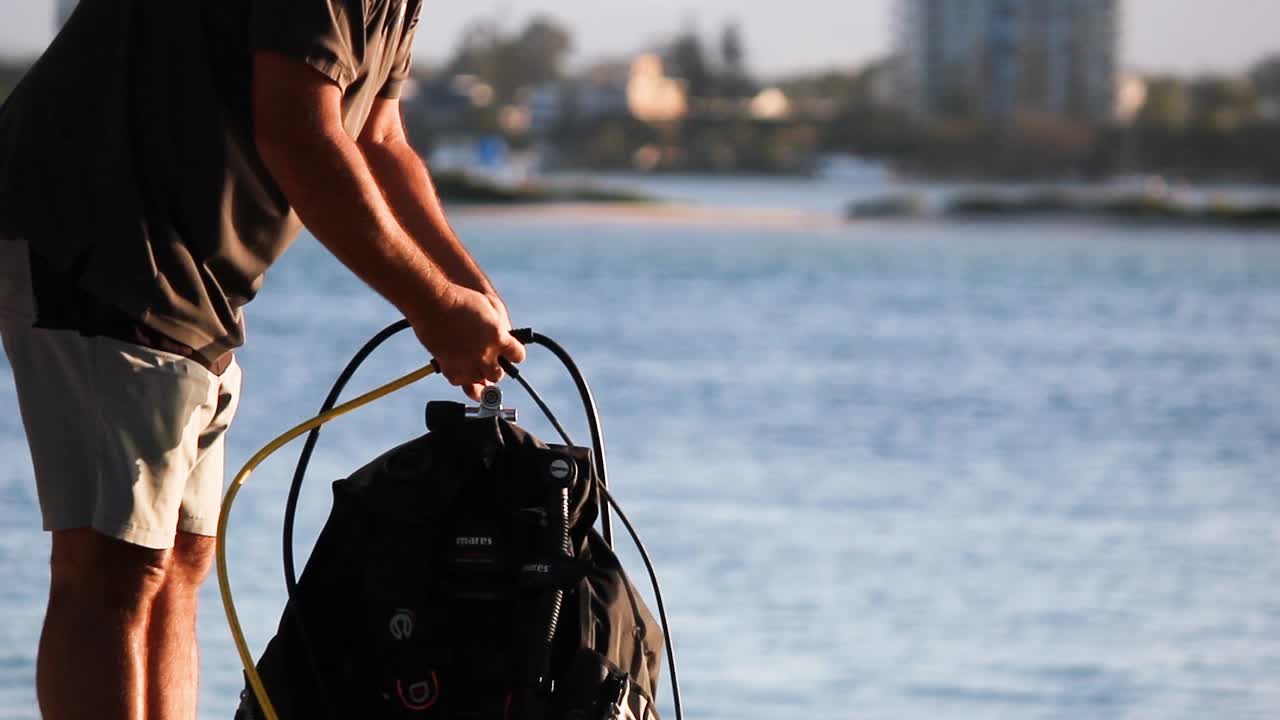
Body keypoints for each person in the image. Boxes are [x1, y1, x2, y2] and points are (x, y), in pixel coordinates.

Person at [0, 1, 525, 718]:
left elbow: (377, 138)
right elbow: (298, 132)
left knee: (181, 558)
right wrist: (432, 308)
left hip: (199, 273)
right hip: (100, 226)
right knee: (113, 562)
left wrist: (470, 294)